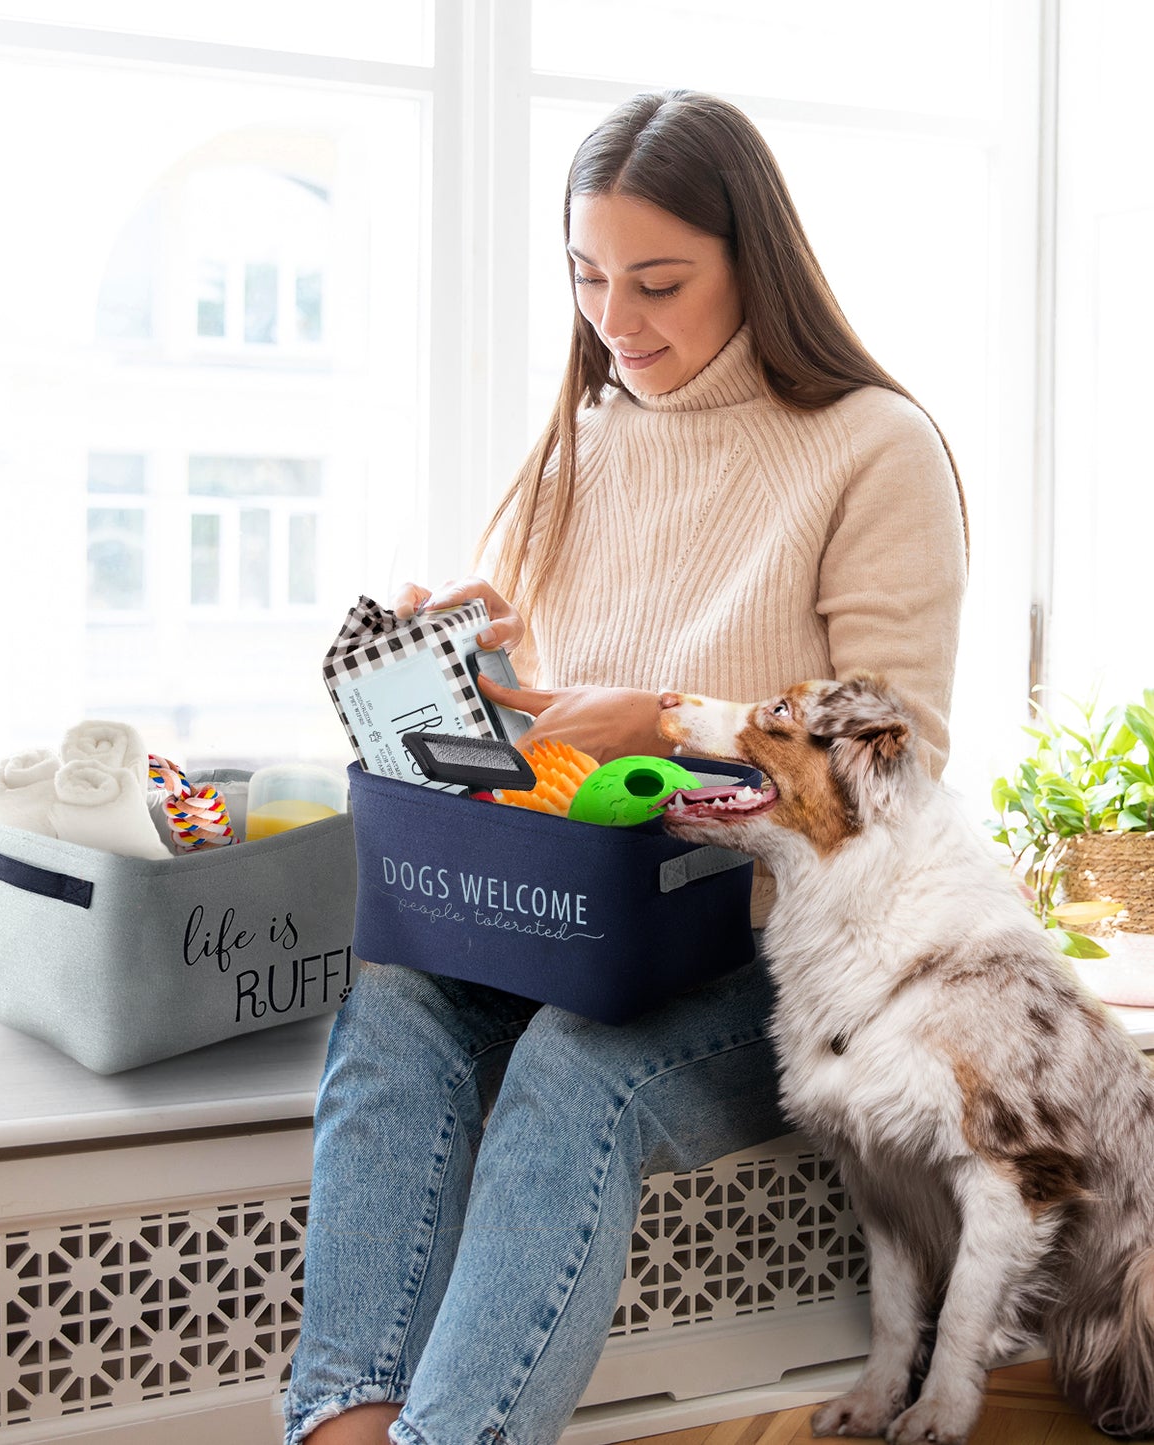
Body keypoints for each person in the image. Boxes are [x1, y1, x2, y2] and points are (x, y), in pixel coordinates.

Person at [284, 89, 967, 1445]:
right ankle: (337, 1432)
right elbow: (545, 750)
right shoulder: (572, 452)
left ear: (751, 265)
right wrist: (470, 680)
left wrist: (662, 720)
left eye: (658, 282)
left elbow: (895, 768)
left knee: (570, 1075)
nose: (617, 319)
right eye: (588, 278)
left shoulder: (871, 447)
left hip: (777, 961)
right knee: (395, 1002)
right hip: (574, 926)